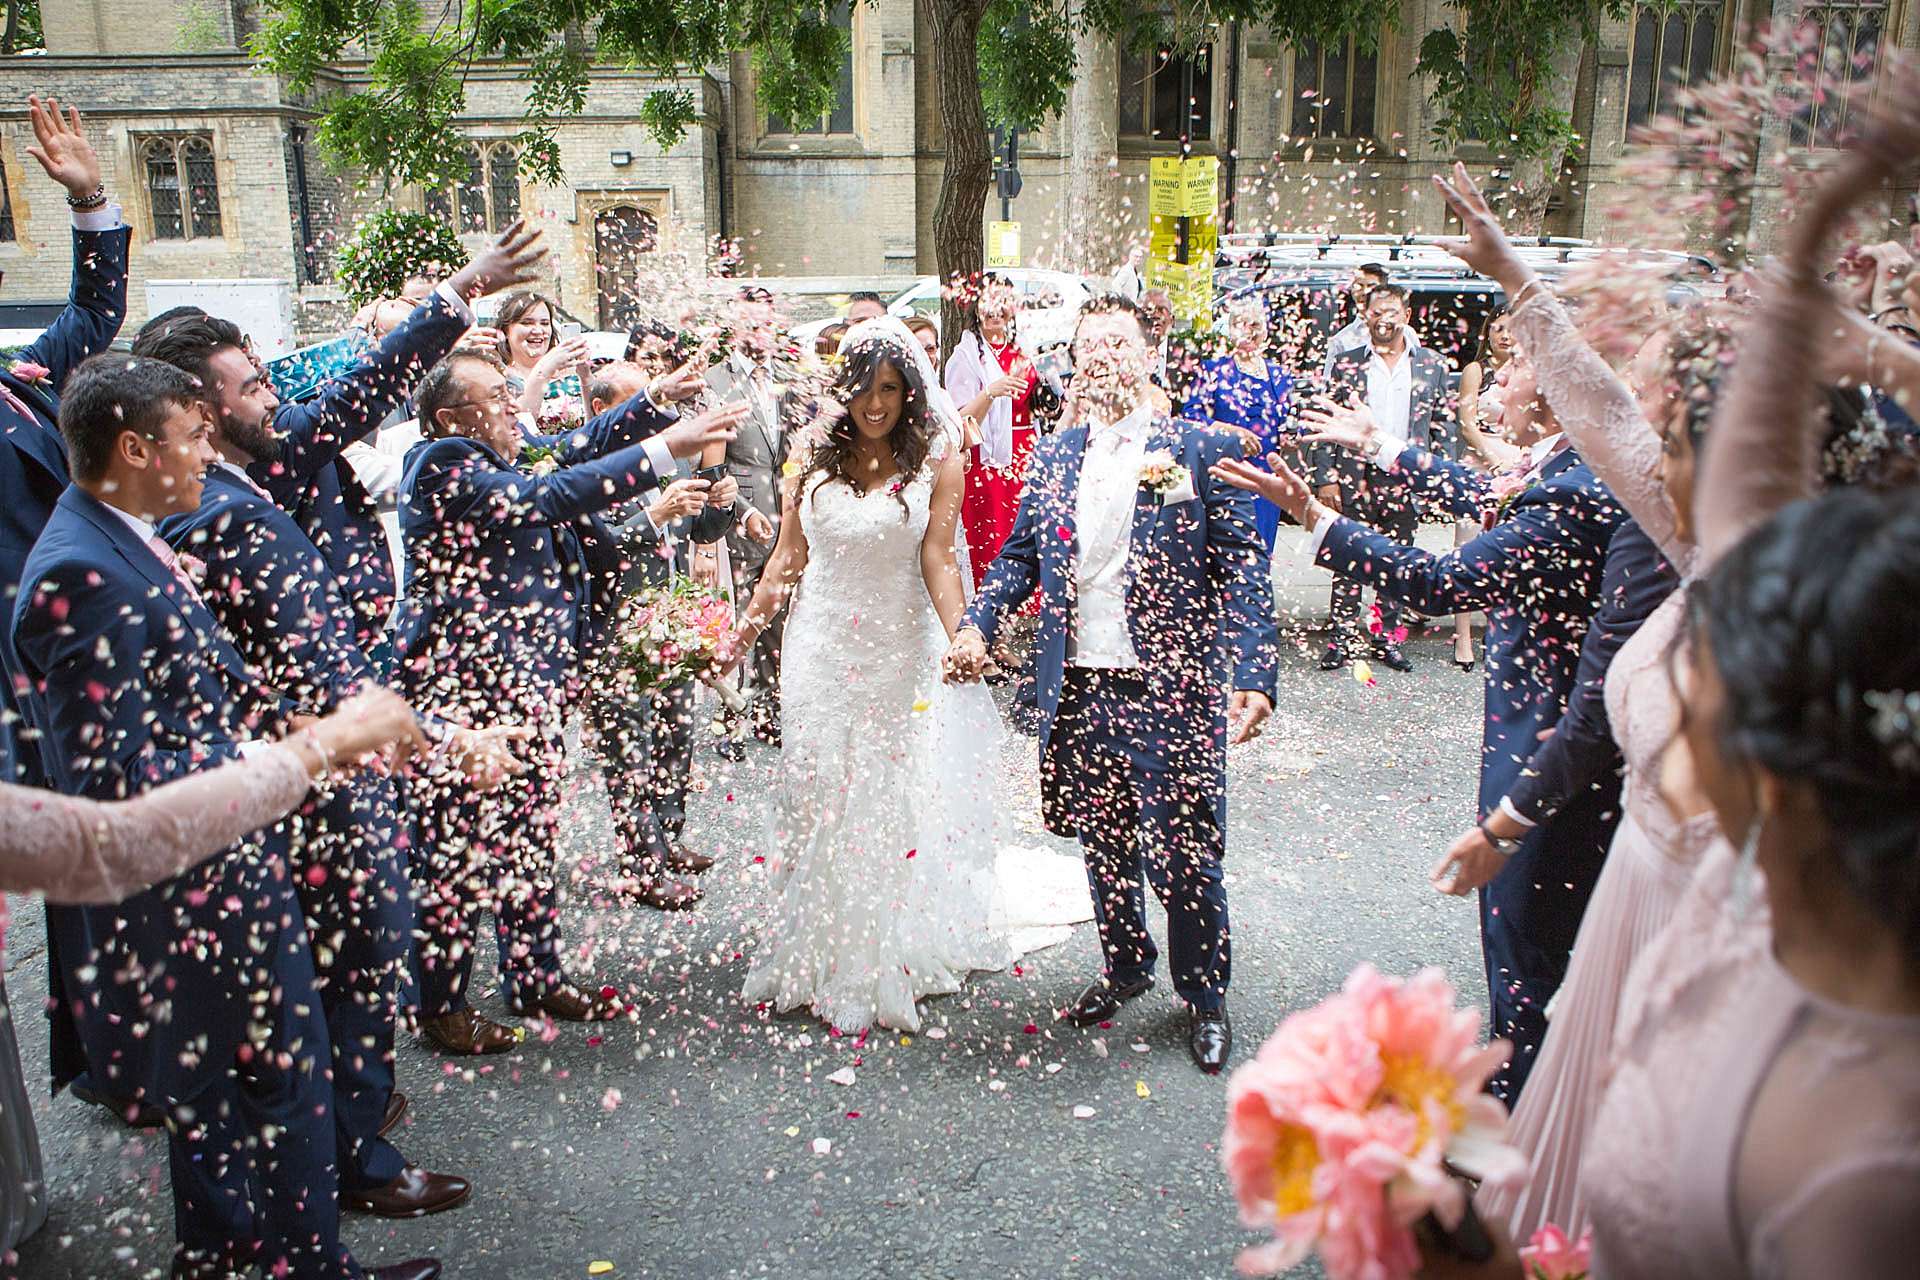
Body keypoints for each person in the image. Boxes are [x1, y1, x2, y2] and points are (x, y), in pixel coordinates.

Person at [12, 355, 440, 1280]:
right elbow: (119, 782)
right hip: (192, 893)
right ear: (134, 448)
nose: (210, 453)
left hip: (221, 870)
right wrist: (295, 754)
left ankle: (221, 1256)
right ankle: (303, 1265)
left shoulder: (121, 535)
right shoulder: (81, 577)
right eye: (194, 436)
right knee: (279, 1085)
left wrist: (305, 727)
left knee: (221, 1093)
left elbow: (198, 699)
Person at [1226, 342, 1624, 1101]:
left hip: (1551, 751)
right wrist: (1383, 445)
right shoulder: (1572, 462)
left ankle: (1525, 1136)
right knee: (1531, 949)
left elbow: (1441, 582)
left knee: (1528, 948)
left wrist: (1315, 517)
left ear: (1556, 387)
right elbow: (1489, 487)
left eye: (1512, 366)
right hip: (1552, 736)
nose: (1497, 377)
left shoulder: (1574, 489)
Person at [945, 293, 1280, 1074]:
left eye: (1117, 342)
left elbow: (1243, 570)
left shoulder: (1200, 448)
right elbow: (1023, 556)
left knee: (1186, 848)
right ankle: (1126, 964)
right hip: (1081, 685)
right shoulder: (1057, 458)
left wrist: (1255, 672)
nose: (1101, 355)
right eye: (1087, 344)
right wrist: (976, 622)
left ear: (1148, 356)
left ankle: (1204, 995)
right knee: (1103, 838)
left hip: (1171, 687)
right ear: (1073, 362)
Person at [718, 335, 1085, 1032]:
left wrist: (964, 636)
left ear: (909, 393)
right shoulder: (811, 458)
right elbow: (787, 559)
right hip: (822, 649)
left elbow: (940, 560)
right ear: (844, 389)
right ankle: (818, 942)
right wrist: (738, 640)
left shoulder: (937, 460)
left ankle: (887, 945)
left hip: (900, 651)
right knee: (821, 785)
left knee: (889, 795)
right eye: (864, 388)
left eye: (890, 390)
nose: (875, 404)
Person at [0, 683, 426, 1258]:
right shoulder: (75, 591)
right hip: (185, 872)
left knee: (261, 1074)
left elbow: (79, 839)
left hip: (214, 845)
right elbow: (104, 821)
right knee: (219, 1071)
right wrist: (309, 746)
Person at [395, 349, 737, 1052]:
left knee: (528, 836)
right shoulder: (443, 464)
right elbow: (553, 495)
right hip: (464, 692)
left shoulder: (504, 456)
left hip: (530, 682)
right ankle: (440, 1007)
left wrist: (651, 403)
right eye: (497, 395)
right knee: (456, 852)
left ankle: (535, 973)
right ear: (450, 417)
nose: (514, 404)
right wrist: (664, 448)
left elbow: (570, 450)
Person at [0, 96, 128, 789]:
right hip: (26, 655)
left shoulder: (18, 376)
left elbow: (95, 311)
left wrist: (87, 197)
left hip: (95, 620)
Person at [579, 360, 736, 910]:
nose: (657, 422)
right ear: (603, 411)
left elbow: (697, 531)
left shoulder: (660, 468)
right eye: (640, 405)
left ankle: (669, 839)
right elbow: (594, 556)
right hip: (614, 637)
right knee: (631, 754)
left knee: (676, 737)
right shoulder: (585, 476)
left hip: (666, 628)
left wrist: (720, 504)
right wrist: (651, 516)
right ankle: (641, 865)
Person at [1313, 283, 1455, 672]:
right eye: (1377, 312)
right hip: (1355, 474)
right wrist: (1325, 478)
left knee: (1396, 562)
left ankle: (1386, 638)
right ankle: (1341, 637)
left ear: (1406, 317)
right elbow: (1327, 420)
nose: (1384, 319)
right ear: (1366, 317)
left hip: (1404, 477)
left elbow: (1443, 425)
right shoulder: (1348, 364)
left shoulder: (1431, 365)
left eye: (1392, 312)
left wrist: (1437, 478)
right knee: (1347, 557)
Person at [700, 287, 788, 754]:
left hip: (785, 515)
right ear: (734, 326)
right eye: (752, 322)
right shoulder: (715, 382)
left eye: (767, 321)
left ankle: (770, 712)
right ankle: (728, 717)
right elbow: (713, 465)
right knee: (735, 621)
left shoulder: (787, 379)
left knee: (777, 617)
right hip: (738, 518)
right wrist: (743, 512)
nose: (761, 331)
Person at [944, 274, 1039, 593]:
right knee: (995, 537)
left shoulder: (1024, 348)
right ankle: (995, 604)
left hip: (1025, 453)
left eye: (1003, 301)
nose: (996, 310)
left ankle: (1028, 603)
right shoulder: (966, 357)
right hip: (988, 462)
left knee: (1027, 529)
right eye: (989, 301)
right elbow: (959, 420)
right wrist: (991, 392)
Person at [1180, 298, 1293, 550]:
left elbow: (1289, 422)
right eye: (1241, 324)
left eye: (1255, 325)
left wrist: (1292, 437)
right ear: (1230, 329)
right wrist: (1232, 431)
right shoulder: (1213, 370)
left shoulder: (1279, 375)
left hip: (1266, 478)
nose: (1248, 331)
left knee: (1262, 550)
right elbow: (1191, 417)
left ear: (1264, 332)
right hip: (1226, 472)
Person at [1447, 307, 1520, 670]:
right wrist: (1493, 460)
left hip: (1519, 466)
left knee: (1510, 553)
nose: (1504, 336)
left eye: (1512, 330)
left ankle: (1501, 629)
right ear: (1487, 334)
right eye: (1498, 330)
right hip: (1480, 463)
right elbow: (1467, 423)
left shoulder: (1529, 373)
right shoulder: (1476, 371)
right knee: (1468, 548)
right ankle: (1463, 636)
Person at [1320, 263, 1423, 382]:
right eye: (1359, 286)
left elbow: (1419, 372)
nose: (1364, 292)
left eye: (1371, 286)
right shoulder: (1341, 340)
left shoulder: (1405, 332)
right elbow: (1329, 388)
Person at [495, 290, 592, 417]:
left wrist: (585, 375)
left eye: (545, 323)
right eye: (527, 323)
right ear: (505, 330)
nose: (538, 330)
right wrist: (545, 369)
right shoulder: (498, 378)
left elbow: (598, 422)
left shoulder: (572, 373)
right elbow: (521, 426)